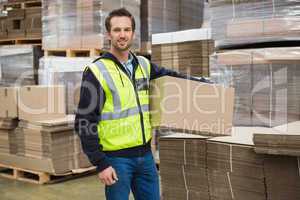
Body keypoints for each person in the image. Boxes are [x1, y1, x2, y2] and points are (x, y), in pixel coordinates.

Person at [75, 7, 208, 200]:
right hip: (116, 159)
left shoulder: (144, 65)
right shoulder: (97, 71)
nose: (122, 35)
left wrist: (203, 83)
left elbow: (172, 77)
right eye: (117, 30)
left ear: (133, 33)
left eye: (127, 30)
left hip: (145, 156)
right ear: (108, 34)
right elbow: (84, 121)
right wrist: (101, 163)